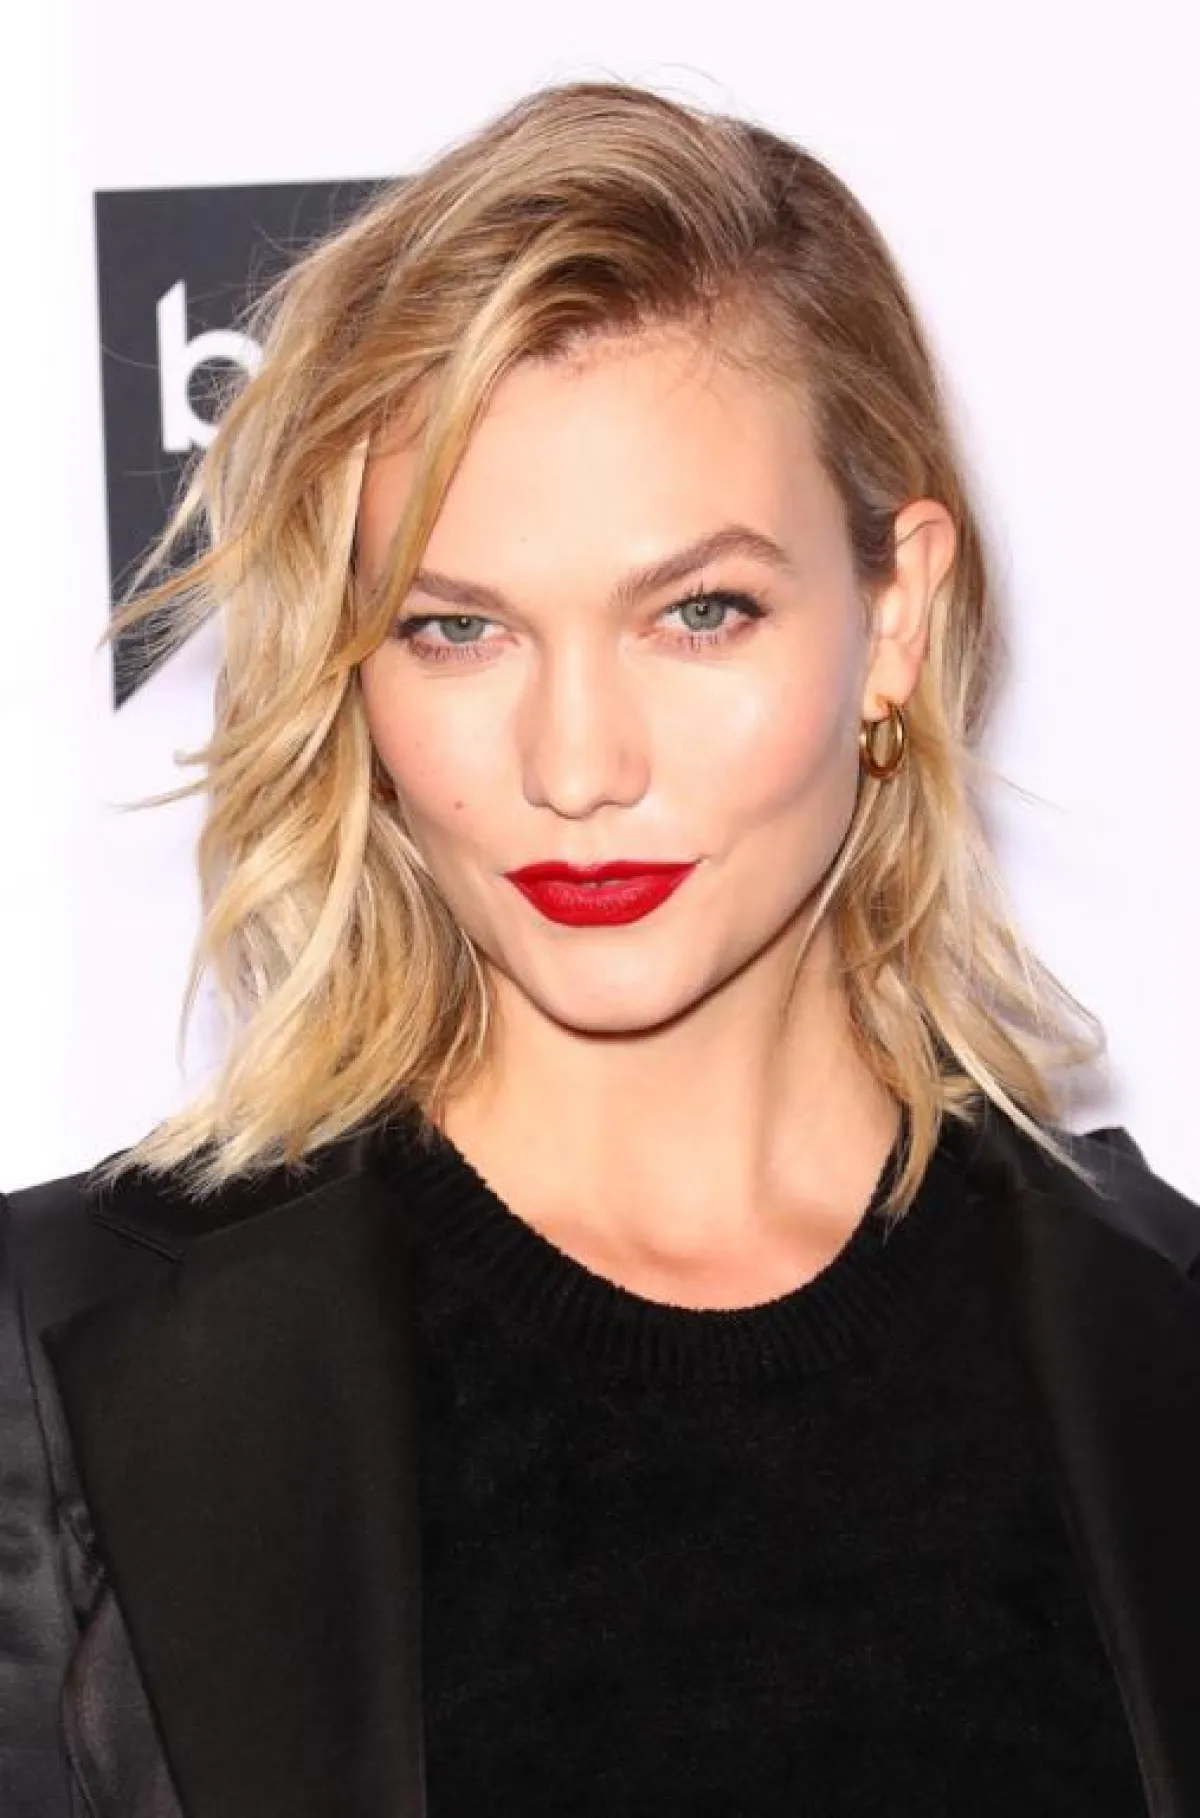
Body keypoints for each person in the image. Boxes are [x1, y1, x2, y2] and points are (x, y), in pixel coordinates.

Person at [2, 76, 1198, 1818]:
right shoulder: (55, 1372)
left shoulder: (1158, 1337)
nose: (577, 765)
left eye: (699, 611)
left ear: (895, 616)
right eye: (457, 628)